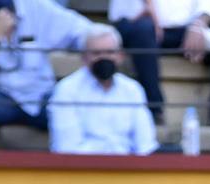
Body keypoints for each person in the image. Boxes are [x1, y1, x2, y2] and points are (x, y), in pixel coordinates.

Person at [0, 0, 94, 148]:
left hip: (42, 96)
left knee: (76, 97)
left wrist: (99, 46)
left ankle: (73, 167)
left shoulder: (37, 6)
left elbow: (86, 31)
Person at [111, 0, 210, 124]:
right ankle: (153, 111)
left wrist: (198, 24)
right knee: (142, 30)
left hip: (187, 30)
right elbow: (126, 14)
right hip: (144, 27)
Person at [48, 25, 158, 155]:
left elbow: (145, 145)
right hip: (82, 171)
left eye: (110, 52)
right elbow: (67, 148)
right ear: (84, 57)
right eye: (97, 53)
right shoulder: (66, 90)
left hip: (128, 170)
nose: (104, 58)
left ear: (120, 56)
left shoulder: (132, 90)